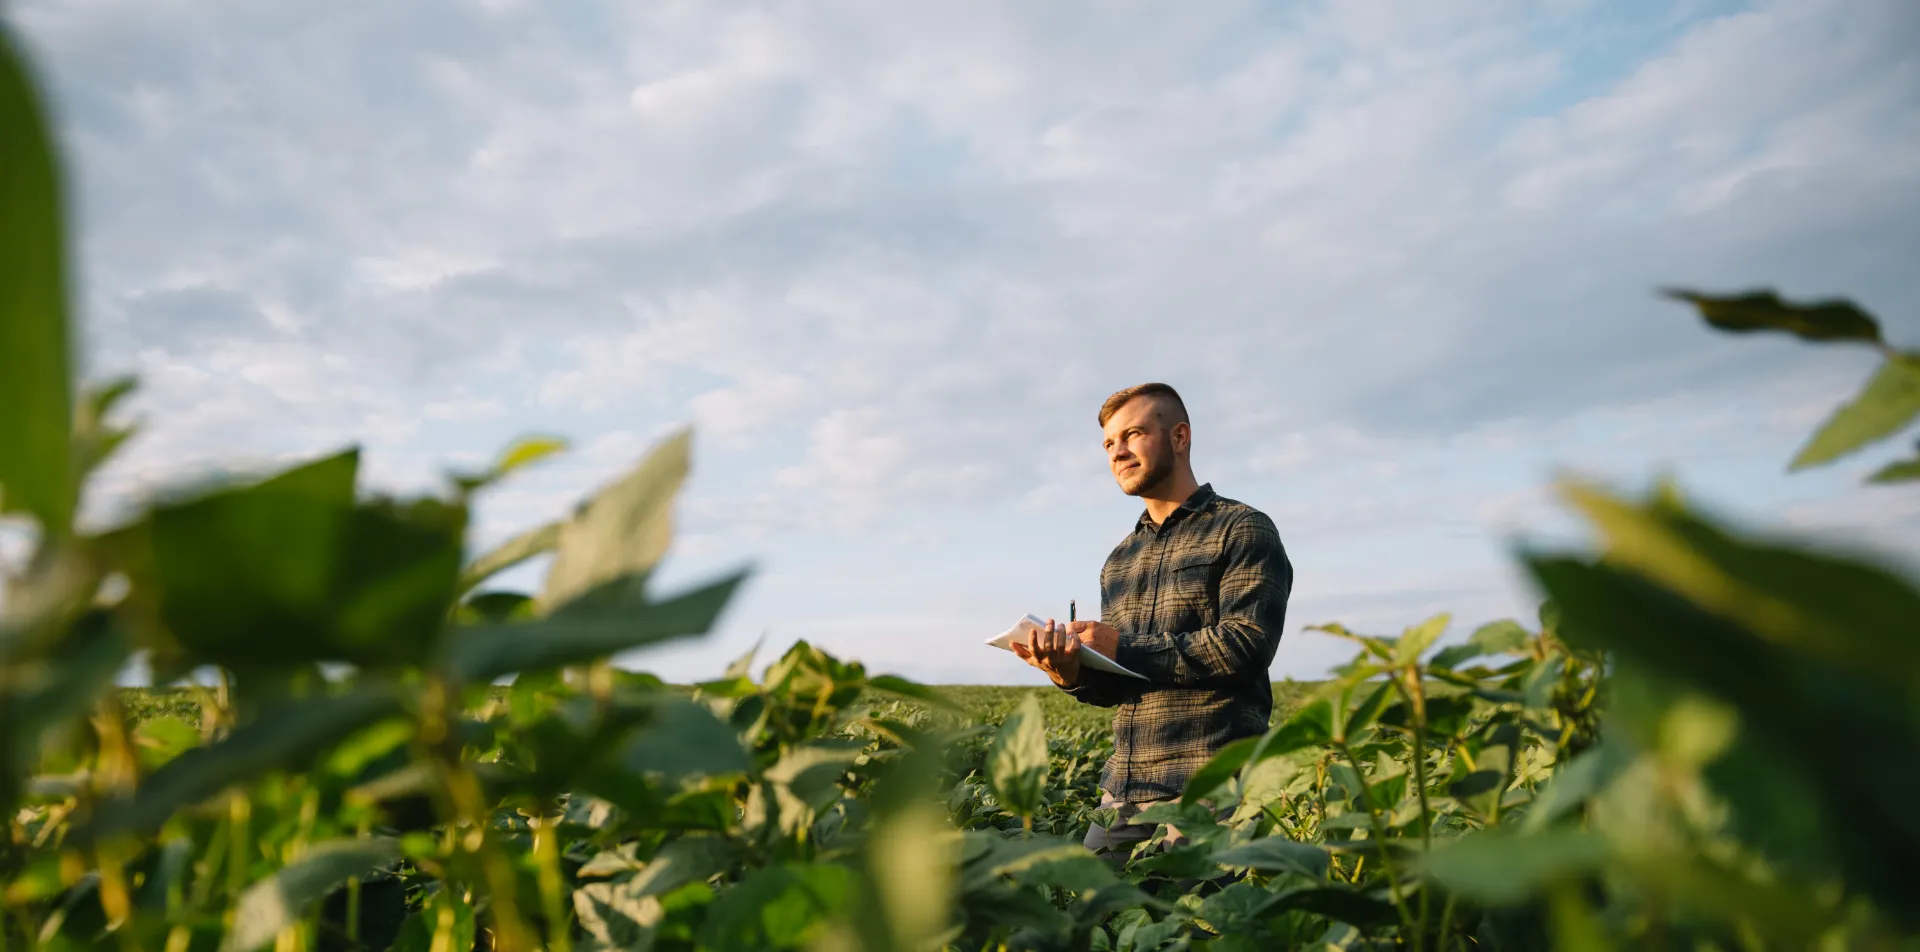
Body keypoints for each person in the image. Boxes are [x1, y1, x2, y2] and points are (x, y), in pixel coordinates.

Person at [1011, 382, 1293, 865]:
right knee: (1091, 924)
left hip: (1211, 789)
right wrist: (1071, 672)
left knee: (1199, 931)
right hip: (1122, 791)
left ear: (1179, 437)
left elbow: (1246, 644)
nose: (1117, 452)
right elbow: (1124, 686)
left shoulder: (1242, 528)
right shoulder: (1119, 559)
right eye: (1108, 444)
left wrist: (1122, 646)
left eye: (1133, 434)